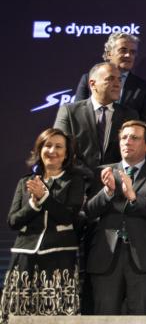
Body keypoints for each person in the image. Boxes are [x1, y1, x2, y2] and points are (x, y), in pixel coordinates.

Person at [0, 128, 85, 319]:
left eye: (58, 146)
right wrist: (33, 204)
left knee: (56, 313)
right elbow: (13, 221)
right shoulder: (25, 182)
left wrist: (44, 197)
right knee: (20, 314)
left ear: (66, 154)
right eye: (47, 145)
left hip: (59, 259)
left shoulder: (74, 181)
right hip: (24, 257)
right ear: (39, 150)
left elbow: (68, 217)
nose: (52, 150)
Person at [84, 121, 146, 315]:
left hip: (143, 258)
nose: (127, 141)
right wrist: (107, 192)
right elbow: (88, 212)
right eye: (124, 137)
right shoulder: (102, 172)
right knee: (104, 316)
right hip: (105, 257)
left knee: (143, 317)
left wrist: (134, 197)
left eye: (134, 138)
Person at [55, 61, 140, 179]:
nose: (117, 84)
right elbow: (60, 148)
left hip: (114, 184)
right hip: (76, 182)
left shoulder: (129, 115)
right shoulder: (69, 112)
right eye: (110, 79)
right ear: (92, 84)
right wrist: (90, 175)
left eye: (119, 80)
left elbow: (133, 153)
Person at [74, 31, 146, 125]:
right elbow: (77, 113)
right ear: (109, 54)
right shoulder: (89, 78)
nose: (128, 55)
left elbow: (145, 124)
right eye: (123, 50)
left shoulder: (143, 87)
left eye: (132, 52)